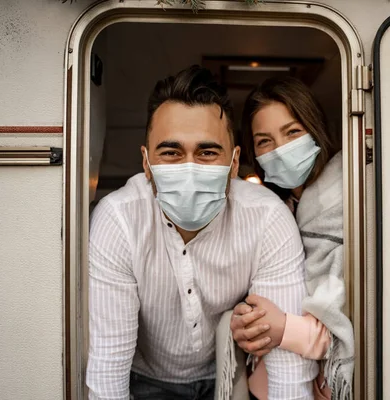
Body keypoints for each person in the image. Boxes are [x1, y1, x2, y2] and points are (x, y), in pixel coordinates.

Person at [86, 66, 318, 400]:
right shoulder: (118, 219)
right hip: (145, 380)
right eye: (171, 152)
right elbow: (108, 366)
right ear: (146, 163)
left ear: (235, 163)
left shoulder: (268, 218)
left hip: (230, 375)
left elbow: (288, 371)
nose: (189, 168)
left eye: (207, 152)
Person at [230, 76, 354, 400]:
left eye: (292, 133)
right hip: (265, 383)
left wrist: (282, 328)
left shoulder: (345, 204)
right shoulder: (276, 209)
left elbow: (349, 324)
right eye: (264, 141)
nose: (280, 149)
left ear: (315, 130)